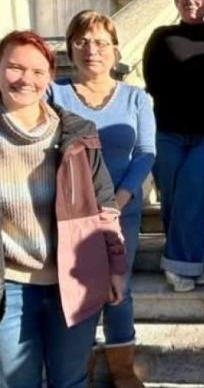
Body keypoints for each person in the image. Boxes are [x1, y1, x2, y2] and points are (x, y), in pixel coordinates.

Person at [0, 30, 127, 387]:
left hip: (74, 280)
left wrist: (116, 267)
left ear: (50, 78)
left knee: (70, 381)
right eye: (14, 67)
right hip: (8, 286)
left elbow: (105, 206)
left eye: (38, 72)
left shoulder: (77, 133)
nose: (26, 79)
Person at [49, 10, 156, 387]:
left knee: (117, 290)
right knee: (77, 291)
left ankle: (122, 368)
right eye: (81, 41)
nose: (91, 50)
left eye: (100, 42)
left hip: (120, 212)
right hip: (67, 214)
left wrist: (118, 201)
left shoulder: (136, 98)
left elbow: (145, 153)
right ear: (70, 49)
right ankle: (79, 363)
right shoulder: (54, 94)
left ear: (115, 50)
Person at [143, 0, 204, 292]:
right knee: (173, 200)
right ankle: (194, 258)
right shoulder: (160, 37)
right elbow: (151, 81)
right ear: (176, 1)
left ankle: (182, 263)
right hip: (166, 131)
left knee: (194, 195)